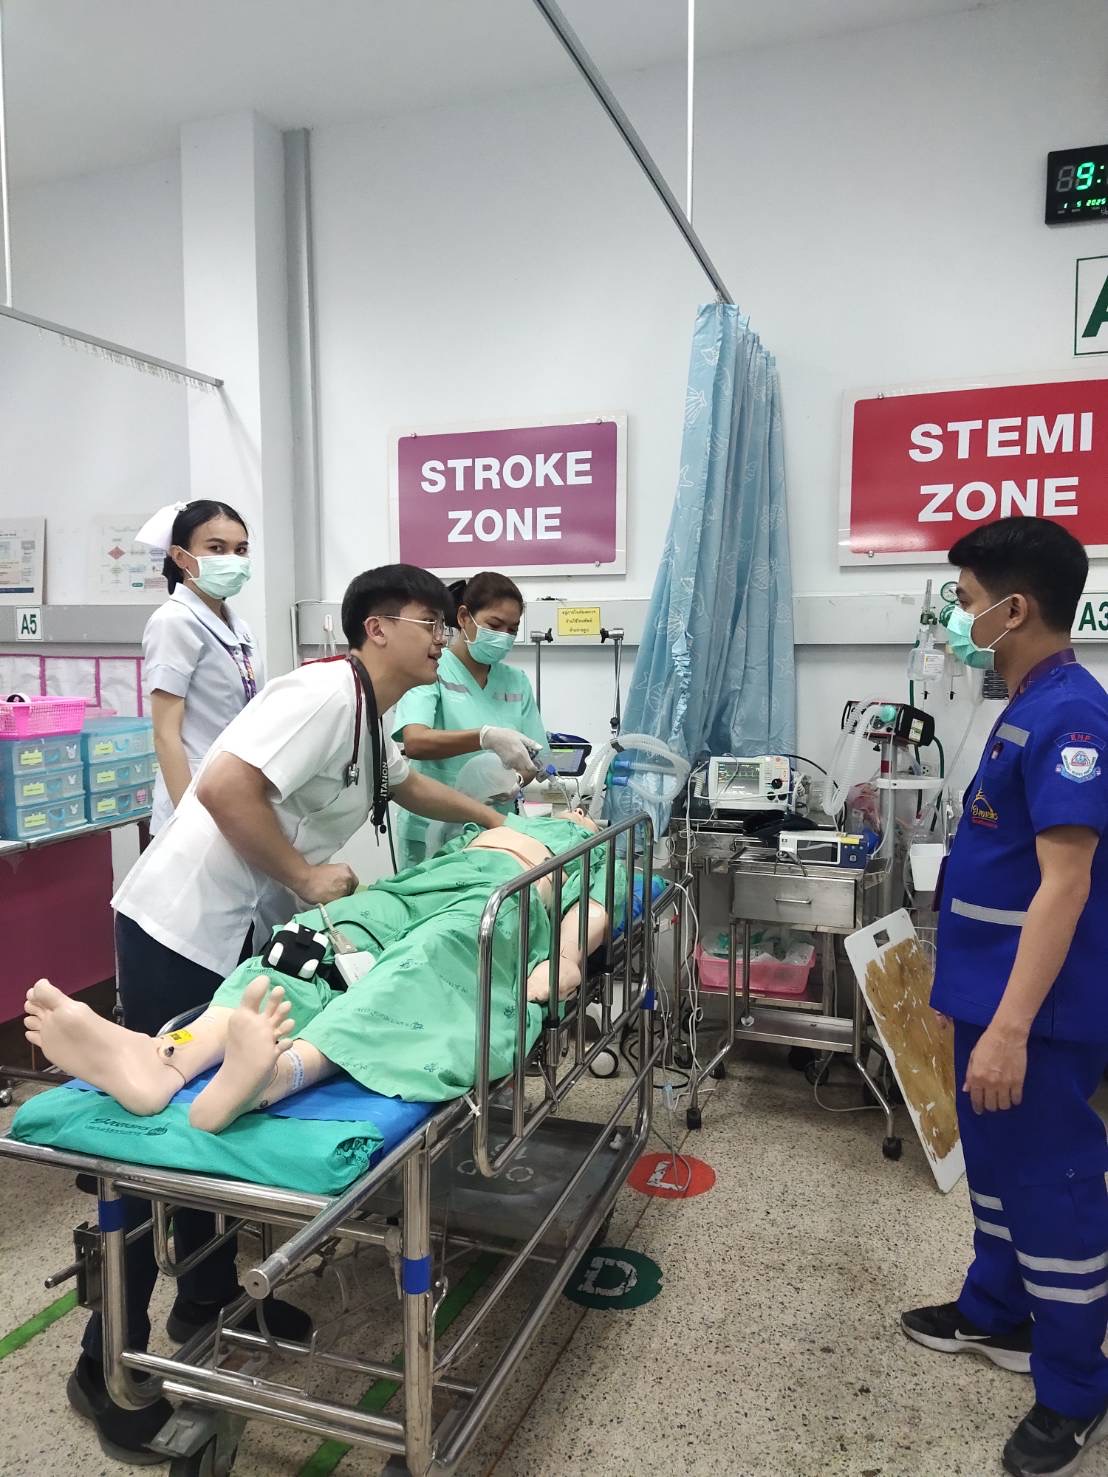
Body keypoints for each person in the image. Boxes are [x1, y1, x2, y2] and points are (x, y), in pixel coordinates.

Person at [67, 563, 508, 1466]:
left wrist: (490, 821)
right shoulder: (320, 694)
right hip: (182, 924)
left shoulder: (369, 712)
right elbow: (225, 788)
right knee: (154, 1139)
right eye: (432, 621)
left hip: (243, 929)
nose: (446, 637)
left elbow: (404, 786)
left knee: (219, 1118)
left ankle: (207, 1297)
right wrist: (307, 876)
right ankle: (104, 1362)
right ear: (378, 627)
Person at [900, 518, 1108, 1477]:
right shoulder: (1025, 702)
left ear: (1014, 609)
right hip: (989, 997)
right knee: (992, 1171)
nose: (958, 617)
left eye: (966, 601)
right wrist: (968, 996)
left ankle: (1074, 1387)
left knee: (1050, 1189)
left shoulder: (1073, 719)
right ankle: (997, 1310)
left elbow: (1064, 885)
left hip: (1040, 1016)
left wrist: (1013, 1026)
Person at [25, 811, 612, 1133]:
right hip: (411, 892)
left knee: (424, 963)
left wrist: (563, 958)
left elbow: (592, 910)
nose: (574, 808)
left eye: (582, 809)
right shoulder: (490, 825)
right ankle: (166, 1059)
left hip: (503, 900)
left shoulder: (590, 844)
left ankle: (272, 1075)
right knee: (307, 942)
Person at [393, 571, 548, 868]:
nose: (504, 637)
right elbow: (415, 742)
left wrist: (517, 779)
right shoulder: (431, 671)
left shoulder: (516, 682)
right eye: (495, 625)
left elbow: (535, 759)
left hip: (494, 830)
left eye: (512, 630)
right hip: (432, 828)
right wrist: (484, 737)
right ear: (464, 617)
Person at [134, 499, 261, 835]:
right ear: (180, 557)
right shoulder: (173, 621)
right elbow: (166, 735)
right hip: (194, 798)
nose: (232, 559)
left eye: (240, 550)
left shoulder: (239, 627)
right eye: (217, 548)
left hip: (236, 788)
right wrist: (188, 819)